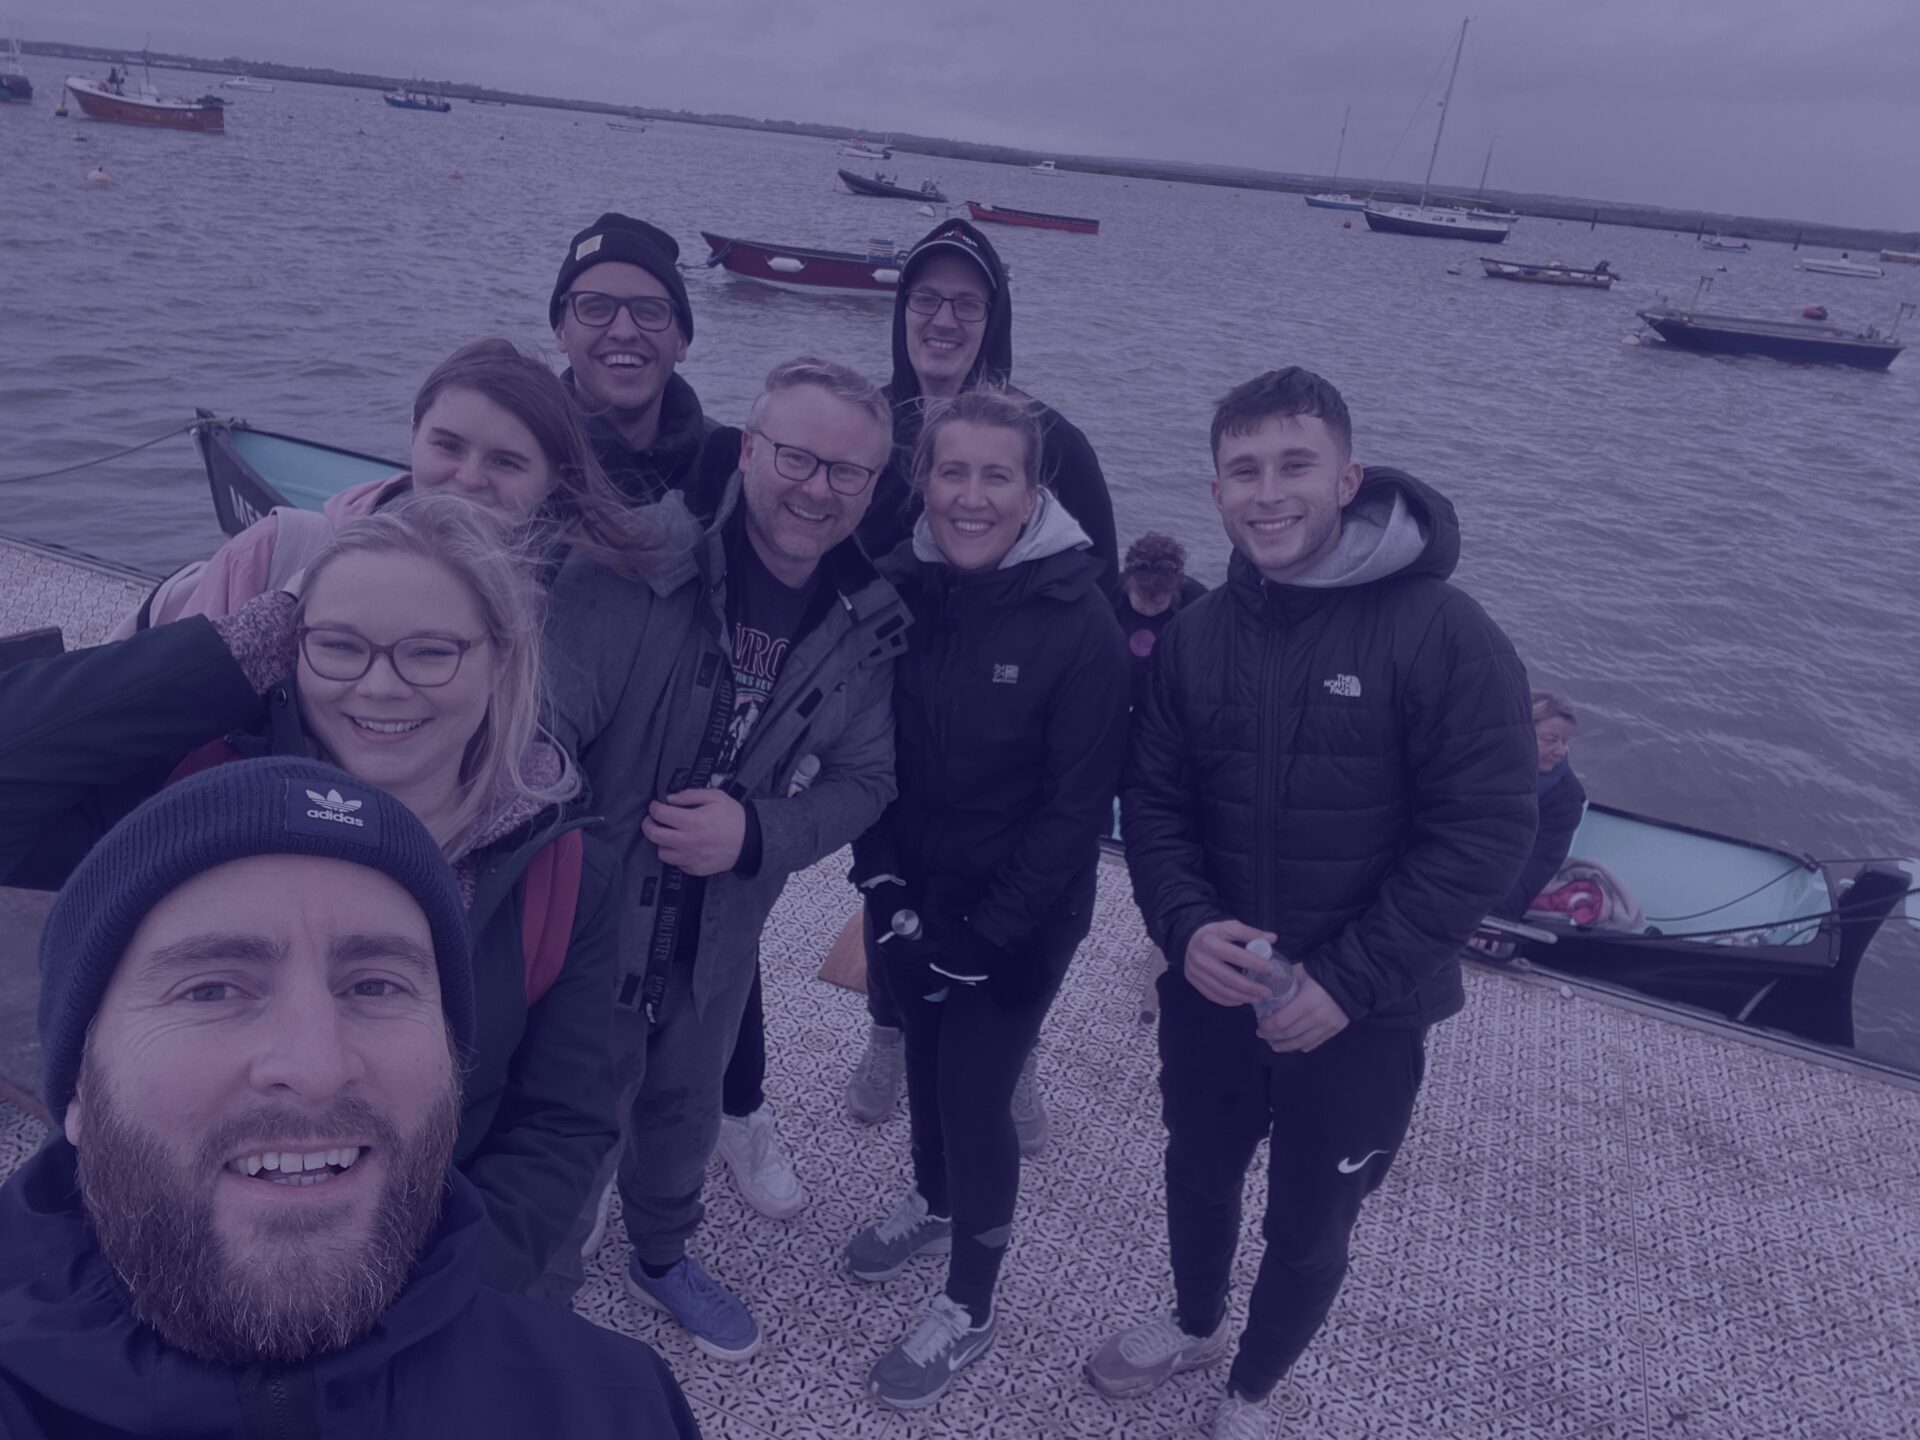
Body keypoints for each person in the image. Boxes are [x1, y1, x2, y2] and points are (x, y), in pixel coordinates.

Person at [0, 494, 622, 1296]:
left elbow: (558, 1124)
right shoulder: (192, 793)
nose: (381, 687)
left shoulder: (565, 874)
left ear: (500, 661)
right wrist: (230, 654)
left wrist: (439, 1298)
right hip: (154, 1249)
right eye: (341, 646)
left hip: (410, 1274)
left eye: (429, 652)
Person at [1087, 367, 1537, 1440]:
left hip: (1366, 1013)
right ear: (1215, 493)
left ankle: (1252, 1388)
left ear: (1348, 476)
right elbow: (1152, 802)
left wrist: (1347, 982)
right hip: (1213, 986)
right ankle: (1196, 1318)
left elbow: (1485, 830)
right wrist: (1186, 926)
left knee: (1312, 1218)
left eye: (1294, 465)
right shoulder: (1196, 638)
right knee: (1197, 1170)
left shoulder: (1445, 631)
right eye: (1244, 470)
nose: (1269, 492)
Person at [0, 757, 700, 1437]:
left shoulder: (615, 1408)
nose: (317, 1066)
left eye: (376, 986)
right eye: (211, 988)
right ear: (81, 1090)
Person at [545, 356, 906, 1360]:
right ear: (749, 450)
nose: (816, 488)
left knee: (683, 1109)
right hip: (592, 920)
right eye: (795, 456)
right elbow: (545, 732)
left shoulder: (865, 625)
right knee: (573, 1123)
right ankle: (542, 1303)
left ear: (872, 489)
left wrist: (758, 834)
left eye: (847, 472)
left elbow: (869, 780)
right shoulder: (633, 561)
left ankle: (660, 1258)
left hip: (719, 934)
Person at [845, 387, 1129, 1409]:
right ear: (925, 482)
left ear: (1032, 488)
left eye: (995, 475)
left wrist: (986, 932)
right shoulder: (900, 586)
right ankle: (931, 1203)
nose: (970, 496)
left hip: (1019, 918)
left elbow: (1074, 811)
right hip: (907, 888)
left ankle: (971, 1302)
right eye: (951, 472)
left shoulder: (1081, 623)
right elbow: (862, 738)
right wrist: (877, 867)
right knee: (922, 1060)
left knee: (975, 1091)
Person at [846, 216, 1119, 1137]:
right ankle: (886, 1032)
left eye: (968, 303)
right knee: (894, 898)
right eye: (926, 298)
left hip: (1017, 723)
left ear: (994, 318)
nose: (944, 318)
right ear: (901, 309)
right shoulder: (870, 430)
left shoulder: (1054, 443)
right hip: (900, 716)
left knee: (1025, 911)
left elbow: (1097, 593)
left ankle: (1017, 1054)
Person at [125, 339, 643, 631]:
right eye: (447, 446)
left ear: (554, 481)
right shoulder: (275, 552)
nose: (467, 478)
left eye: (505, 462)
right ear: (413, 435)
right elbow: (153, 712)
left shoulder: (565, 614)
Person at [549, 211, 738, 512]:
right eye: (596, 308)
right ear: (560, 332)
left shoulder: (730, 475)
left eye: (649, 311)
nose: (624, 332)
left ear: (681, 341)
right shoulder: (518, 458)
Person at [1496, 691, 1587, 919]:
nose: (1561, 751)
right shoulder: (1481, 760)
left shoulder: (1567, 798)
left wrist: (1497, 915)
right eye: (1551, 740)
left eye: (1565, 741)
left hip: (1503, 871)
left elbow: (1538, 865)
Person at [1114, 531, 1209, 712]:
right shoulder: (1107, 596)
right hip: (1117, 688)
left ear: (1175, 591)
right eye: (1142, 601)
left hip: (1167, 695)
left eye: (1158, 602)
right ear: (1128, 585)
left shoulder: (1197, 603)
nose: (1150, 610)